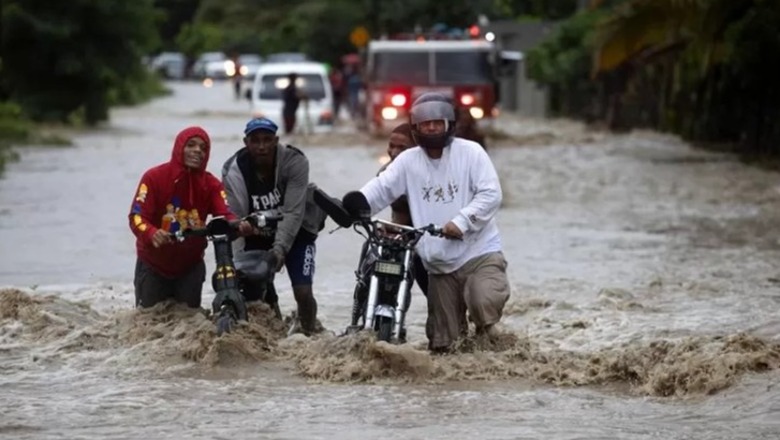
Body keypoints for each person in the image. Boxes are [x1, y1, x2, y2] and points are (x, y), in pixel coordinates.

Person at [344, 93, 510, 352]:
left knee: (482, 302)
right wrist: (355, 205)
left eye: (437, 121)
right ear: (416, 127)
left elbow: (491, 194)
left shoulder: (471, 153)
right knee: (445, 347)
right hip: (439, 266)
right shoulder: (408, 161)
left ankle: (492, 341)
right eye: (425, 122)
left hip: (478, 253)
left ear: (449, 124)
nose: (431, 127)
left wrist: (462, 221)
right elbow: (382, 187)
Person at [222, 117, 326, 335]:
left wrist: (280, 249)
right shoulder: (233, 170)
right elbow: (236, 218)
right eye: (255, 141)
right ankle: (272, 335)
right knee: (252, 293)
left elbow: (293, 212)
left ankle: (310, 335)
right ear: (246, 142)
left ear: (276, 141)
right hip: (256, 233)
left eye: (267, 140)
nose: (262, 147)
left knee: (303, 291)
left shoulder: (295, 162)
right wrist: (236, 264)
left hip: (297, 231)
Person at [128, 126, 252, 309]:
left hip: (190, 268)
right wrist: (151, 233)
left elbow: (225, 213)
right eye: (191, 145)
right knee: (148, 325)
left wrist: (240, 225)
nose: (197, 151)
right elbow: (136, 216)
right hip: (152, 265)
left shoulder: (211, 185)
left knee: (190, 324)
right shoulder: (153, 178)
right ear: (179, 148)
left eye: (203, 148)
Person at [377, 122, 429, 297]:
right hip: (406, 232)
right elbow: (399, 213)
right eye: (392, 146)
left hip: (431, 233)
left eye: (402, 148)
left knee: (425, 275)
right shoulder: (385, 173)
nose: (395, 152)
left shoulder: (430, 174)